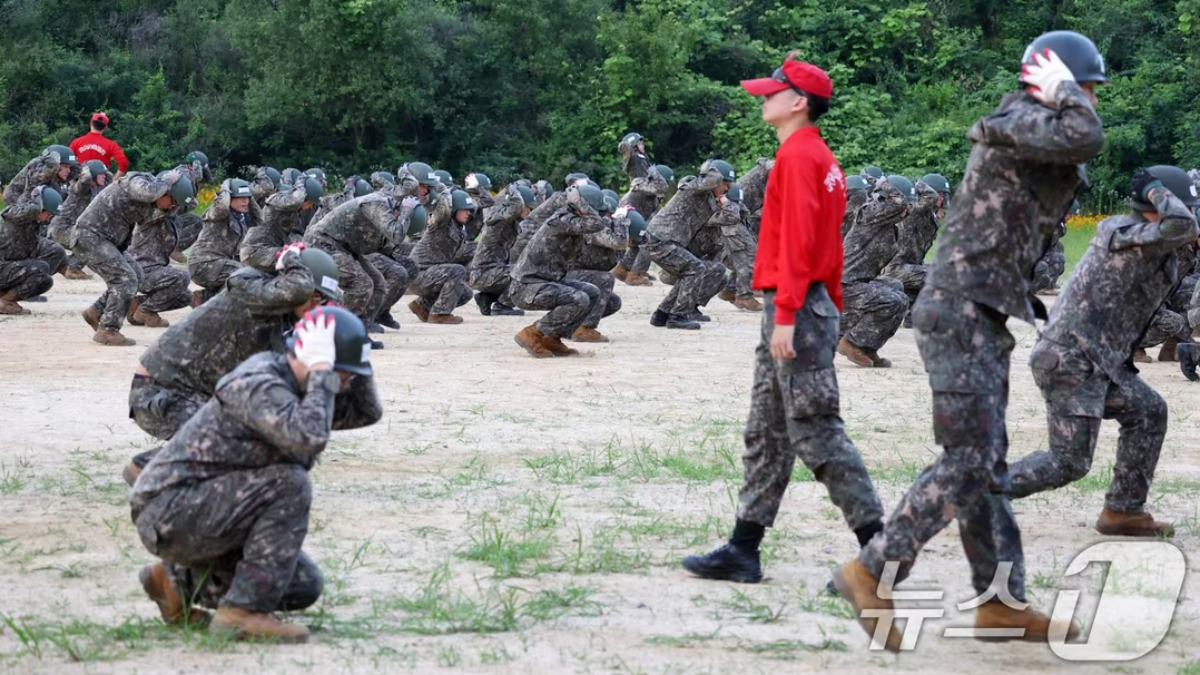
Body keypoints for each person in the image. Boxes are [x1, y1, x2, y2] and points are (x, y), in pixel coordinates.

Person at [834, 31, 1106, 650]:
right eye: (1086, 86)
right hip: (957, 308)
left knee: (987, 464)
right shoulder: (1020, 117)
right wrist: (1061, 85)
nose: (1092, 99)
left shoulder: (1035, 125)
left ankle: (1001, 605)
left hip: (979, 312)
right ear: (1055, 83)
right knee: (969, 460)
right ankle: (872, 569)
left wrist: (1064, 88)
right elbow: (1086, 135)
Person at [683, 54, 885, 589]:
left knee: (817, 433)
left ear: (798, 103)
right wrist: (823, 307)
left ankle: (885, 551)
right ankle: (742, 551)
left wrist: (791, 315)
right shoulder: (818, 156)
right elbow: (829, 246)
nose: (763, 98)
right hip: (804, 303)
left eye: (772, 92)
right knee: (768, 433)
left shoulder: (799, 157)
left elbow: (800, 243)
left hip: (796, 307)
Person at [130, 306, 380, 642]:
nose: (344, 387)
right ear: (312, 360)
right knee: (290, 483)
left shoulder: (301, 385)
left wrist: (350, 355)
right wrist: (323, 369)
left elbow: (366, 412)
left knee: (300, 584)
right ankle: (242, 614)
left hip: (205, 509)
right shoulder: (259, 381)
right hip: (168, 511)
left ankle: (174, 582)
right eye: (342, 377)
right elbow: (309, 439)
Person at [1008, 166, 1194, 543]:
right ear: (1156, 206)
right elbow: (1182, 226)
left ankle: (1123, 511)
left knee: (1148, 410)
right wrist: (1155, 189)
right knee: (1068, 463)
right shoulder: (1122, 233)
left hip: (1097, 362)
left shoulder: (1155, 242)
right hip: (1071, 360)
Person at [123, 244, 342, 484]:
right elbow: (296, 289)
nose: (315, 305)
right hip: (161, 391)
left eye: (322, 300)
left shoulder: (281, 320)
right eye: (315, 296)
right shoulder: (247, 284)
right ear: (289, 278)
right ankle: (148, 468)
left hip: (202, 397)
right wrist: (293, 259)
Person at [72, 171, 192, 345]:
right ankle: (108, 330)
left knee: (136, 274)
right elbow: (148, 192)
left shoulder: (152, 203)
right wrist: (167, 181)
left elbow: (181, 204)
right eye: (172, 203)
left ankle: (96, 311)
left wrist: (180, 194)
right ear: (165, 192)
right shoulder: (137, 182)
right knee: (125, 279)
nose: (170, 208)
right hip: (90, 236)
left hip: (108, 241)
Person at [510, 184, 608, 357]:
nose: (599, 214)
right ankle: (532, 333)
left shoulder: (573, 225)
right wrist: (580, 202)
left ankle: (552, 337)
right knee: (579, 298)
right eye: (596, 210)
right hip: (526, 287)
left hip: (544, 282)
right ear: (579, 208)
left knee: (591, 292)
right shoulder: (561, 220)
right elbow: (597, 224)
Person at [304, 192, 410, 343]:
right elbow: (397, 235)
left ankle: (358, 333)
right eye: (399, 217)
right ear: (396, 210)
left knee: (378, 283)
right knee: (362, 285)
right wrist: (408, 210)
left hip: (344, 248)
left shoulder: (384, 211)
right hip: (323, 242)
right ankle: (339, 332)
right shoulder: (377, 204)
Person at [644, 161, 734, 330]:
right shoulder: (694, 187)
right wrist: (710, 167)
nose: (727, 189)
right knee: (695, 268)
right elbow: (712, 178)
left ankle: (662, 314)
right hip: (660, 239)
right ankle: (678, 316)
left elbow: (733, 217)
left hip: (665, 241)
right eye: (725, 184)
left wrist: (725, 203)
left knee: (695, 269)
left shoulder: (709, 199)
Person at [837, 176, 910, 367]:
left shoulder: (886, 226)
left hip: (856, 283)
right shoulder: (868, 213)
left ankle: (868, 346)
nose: (908, 210)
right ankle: (851, 343)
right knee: (892, 300)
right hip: (843, 284)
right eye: (906, 206)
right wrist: (884, 183)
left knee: (898, 290)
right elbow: (898, 201)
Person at [126, 171, 198, 328]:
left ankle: (137, 305)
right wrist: (169, 182)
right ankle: (146, 311)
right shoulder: (150, 211)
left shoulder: (167, 210)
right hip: (141, 270)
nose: (173, 207)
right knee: (182, 277)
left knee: (185, 296)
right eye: (172, 201)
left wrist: (187, 180)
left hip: (154, 270)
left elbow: (191, 203)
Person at [881, 174, 947, 327]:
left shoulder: (929, 216)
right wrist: (919, 183)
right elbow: (929, 197)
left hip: (906, 268)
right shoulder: (915, 211)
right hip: (894, 270)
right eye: (941, 194)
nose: (942, 199)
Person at [407, 187, 476, 325]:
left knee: (465, 292)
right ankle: (440, 314)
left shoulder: (459, 229)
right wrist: (444, 190)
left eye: (470, 210)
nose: (468, 213)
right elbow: (442, 209)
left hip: (432, 274)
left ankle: (423, 306)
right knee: (457, 271)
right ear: (454, 209)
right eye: (465, 209)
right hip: (420, 274)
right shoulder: (442, 223)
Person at [189, 179, 259, 305]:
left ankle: (202, 298)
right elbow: (221, 205)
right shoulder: (218, 213)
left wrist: (250, 195)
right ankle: (218, 306)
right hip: (203, 264)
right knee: (245, 273)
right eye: (240, 197)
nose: (245, 201)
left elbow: (261, 221)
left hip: (220, 266)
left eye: (247, 198)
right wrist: (225, 186)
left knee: (248, 273)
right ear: (230, 198)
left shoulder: (241, 218)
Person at [468, 183, 532, 316]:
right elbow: (515, 206)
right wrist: (513, 190)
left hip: (488, 272)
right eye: (528, 207)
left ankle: (487, 298)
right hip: (483, 273)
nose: (529, 212)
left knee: (516, 268)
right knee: (523, 271)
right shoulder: (499, 220)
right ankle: (502, 305)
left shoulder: (510, 223)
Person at [0, 186, 65, 314]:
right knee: (40, 268)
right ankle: (6, 302)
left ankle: (4, 298)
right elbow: (14, 212)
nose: (50, 217)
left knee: (45, 281)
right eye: (48, 213)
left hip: (5, 266)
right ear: (40, 208)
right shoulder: (17, 214)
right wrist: (36, 204)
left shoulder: (34, 224)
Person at [240, 177, 321, 273]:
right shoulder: (278, 198)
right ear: (304, 198)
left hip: (270, 250)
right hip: (256, 250)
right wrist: (300, 186)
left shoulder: (295, 213)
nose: (310, 207)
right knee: (298, 261)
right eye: (310, 203)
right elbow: (294, 202)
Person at [47, 160, 112, 281]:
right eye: (101, 174)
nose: (104, 176)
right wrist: (88, 169)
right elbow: (85, 179)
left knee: (96, 236)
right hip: (61, 229)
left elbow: (110, 180)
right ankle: (72, 268)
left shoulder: (96, 188)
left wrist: (103, 171)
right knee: (90, 239)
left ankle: (69, 265)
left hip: (72, 230)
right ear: (93, 175)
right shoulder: (80, 188)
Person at [714, 184, 763, 312]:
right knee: (747, 260)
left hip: (735, 228)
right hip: (732, 230)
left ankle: (730, 290)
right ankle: (744, 296)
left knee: (743, 261)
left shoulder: (733, 195)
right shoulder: (722, 208)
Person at [70, 112, 129, 179]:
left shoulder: (77, 142)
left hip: (81, 180)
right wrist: (113, 180)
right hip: (102, 184)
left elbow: (69, 158)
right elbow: (123, 163)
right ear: (105, 127)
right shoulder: (111, 145)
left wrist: (72, 178)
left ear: (91, 123)